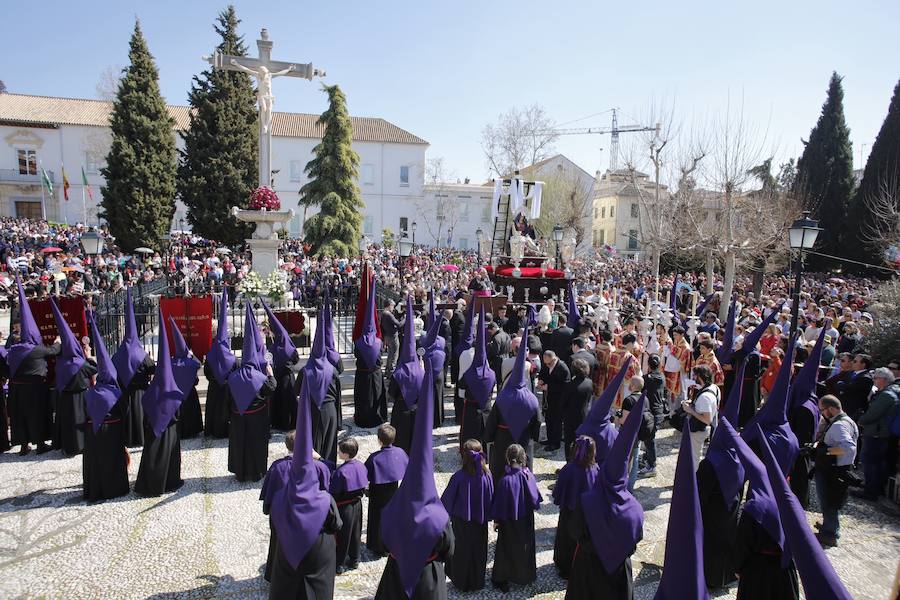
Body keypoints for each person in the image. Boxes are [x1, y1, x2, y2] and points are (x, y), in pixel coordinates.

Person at [376, 346, 454, 600]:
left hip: (396, 573)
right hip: (428, 577)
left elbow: (385, 535)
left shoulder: (394, 508)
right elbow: (447, 549)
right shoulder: (438, 516)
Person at [268, 378, 342, 600]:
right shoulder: (325, 499)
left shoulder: (282, 497)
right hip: (318, 549)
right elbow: (336, 524)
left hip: (289, 546)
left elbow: (273, 518)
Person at [566, 398, 644, 600]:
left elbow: (575, 531)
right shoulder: (635, 508)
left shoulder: (588, 499)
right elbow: (635, 542)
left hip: (588, 568)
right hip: (618, 572)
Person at [728, 420, 800, 599]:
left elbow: (743, 544)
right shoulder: (792, 500)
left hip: (758, 571)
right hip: (785, 571)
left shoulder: (754, 507)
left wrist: (737, 568)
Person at [484, 308, 541, 487]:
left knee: (501, 469)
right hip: (523, 438)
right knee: (522, 468)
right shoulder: (532, 399)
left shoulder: (502, 398)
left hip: (502, 438)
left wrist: (489, 437)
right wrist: (534, 437)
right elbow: (537, 422)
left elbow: (492, 420)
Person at [134, 311, 185, 497]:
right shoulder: (174, 391)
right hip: (169, 430)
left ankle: (150, 484)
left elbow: (145, 407)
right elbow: (178, 414)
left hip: (152, 430)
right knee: (169, 458)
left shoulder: (150, 390)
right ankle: (170, 482)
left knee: (151, 455)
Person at [8, 279, 60, 455]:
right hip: (34, 389)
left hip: (16, 389)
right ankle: (40, 445)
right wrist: (59, 340)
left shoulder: (14, 350)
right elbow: (53, 350)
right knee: (36, 415)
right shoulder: (36, 350)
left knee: (20, 416)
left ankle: (23, 446)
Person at [82, 309, 129, 502]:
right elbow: (124, 412)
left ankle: (95, 489)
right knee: (112, 461)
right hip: (113, 431)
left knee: (95, 461)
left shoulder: (90, 392)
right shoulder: (116, 392)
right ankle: (114, 489)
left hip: (93, 432)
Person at [227, 305, 277, 483]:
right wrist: (270, 374)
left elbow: (228, 397)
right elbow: (271, 388)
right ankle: (256, 472)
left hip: (239, 417)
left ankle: (240, 472)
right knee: (256, 445)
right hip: (257, 417)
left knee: (240, 444)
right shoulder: (260, 377)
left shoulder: (233, 377)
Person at [441, 439, 494, 592]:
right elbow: (491, 497)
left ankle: (461, 582)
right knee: (479, 551)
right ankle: (477, 581)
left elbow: (447, 501)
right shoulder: (487, 475)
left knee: (462, 551)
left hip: (462, 522)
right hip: (481, 521)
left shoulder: (458, 477)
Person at [489, 443, 542, 593]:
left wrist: (497, 521)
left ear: (507, 459)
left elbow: (499, 504)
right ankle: (526, 574)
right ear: (523, 458)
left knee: (506, 549)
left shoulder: (505, 480)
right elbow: (535, 498)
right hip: (525, 519)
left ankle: (502, 578)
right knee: (525, 547)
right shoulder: (528, 475)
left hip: (509, 521)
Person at [50, 297, 97, 457]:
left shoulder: (61, 363)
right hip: (81, 396)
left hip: (65, 399)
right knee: (80, 422)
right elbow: (94, 369)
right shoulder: (81, 363)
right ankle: (81, 446)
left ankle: (68, 446)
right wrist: (89, 355)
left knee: (69, 422)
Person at [112, 286, 154, 448]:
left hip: (124, 392)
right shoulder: (141, 354)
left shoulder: (117, 354)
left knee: (128, 415)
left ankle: (128, 439)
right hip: (141, 391)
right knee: (140, 415)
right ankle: (141, 438)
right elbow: (152, 369)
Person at [813, 395, 858, 547]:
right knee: (832, 500)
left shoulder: (840, 425)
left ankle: (830, 534)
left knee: (829, 501)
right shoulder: (848, 421)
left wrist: (826, 452)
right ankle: (829, 526)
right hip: (837, 468)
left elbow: (848, 448)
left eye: (823, 410)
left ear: (831, 409)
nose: (822, 414)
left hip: (833, 470)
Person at [552, 436, 599, 580]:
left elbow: (559, 490)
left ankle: (566, 568)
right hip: (587, 515)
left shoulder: (569, 469)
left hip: (570, 511)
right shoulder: (595, 469)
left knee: (567, 541)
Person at [300, 303, 340, 464]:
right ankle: (328, 469)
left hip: (313, 410)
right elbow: (337, 392)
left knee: (314, 441)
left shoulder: (305, 371)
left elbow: (298, 390)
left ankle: (314, 469)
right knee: (330, 442)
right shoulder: (333, 370)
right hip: (330, 409)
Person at [853, 367, 899, 501]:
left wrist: (861, 421)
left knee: (870, 461)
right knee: (877, 462)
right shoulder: (891, 392)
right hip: (881, 432)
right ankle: (874, 487)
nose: (874, 380)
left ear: (883, 380)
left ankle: (870, 491)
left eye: (876, 378)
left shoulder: (886, 395)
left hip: (876, 433)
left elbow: (873, 414)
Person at [364, 424, 408, 556]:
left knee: (377, 519)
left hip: (377, 494)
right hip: (393, 491)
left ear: (379, 440)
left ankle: (378, 546)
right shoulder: (400, 453)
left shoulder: (375, 458)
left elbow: (364, 476)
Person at [389, 295, 424, 453]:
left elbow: (392, 393)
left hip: (401, 409)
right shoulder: (421, 372)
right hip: (416, 409)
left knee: (400, 439)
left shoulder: (399, 372)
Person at [260, 431, 295, 582]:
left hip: (279, 514)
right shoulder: (313, 466)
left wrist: (267, 508)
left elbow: (270, 490)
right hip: (300, 514)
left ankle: (274, 574)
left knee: (276, 544)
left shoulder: (277, 467)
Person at [459, 307, 495, 446]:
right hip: (486, 407)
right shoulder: (491, 374)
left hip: (471, 408)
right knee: (484, 431)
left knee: (469, 432)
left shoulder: (469, 374)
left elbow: (461, 385)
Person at [263, 300, 301, 432]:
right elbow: (296, 360)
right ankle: (291, 422)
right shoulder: (290, 347)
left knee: (278, 399)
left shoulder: (272, 348)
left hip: (278, 377)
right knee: (289, 400)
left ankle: (278, 422)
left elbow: (270, 364)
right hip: (288, 377)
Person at [331, 437, 368, 574]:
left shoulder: (341, 472)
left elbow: (334, 493)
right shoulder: (361, 466)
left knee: (342, 535)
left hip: (344, 507)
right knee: (355, 532)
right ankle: (354, 559)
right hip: (357, 505)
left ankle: (339, 563)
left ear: (346, 454)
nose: (338, 453)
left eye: (339, 451)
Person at [353, 277, 387, 428]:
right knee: (376, 396)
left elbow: (356, 354)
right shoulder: (379, 342)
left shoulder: (359, 342)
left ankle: (362, 418)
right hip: (376, 375)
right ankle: (377, 416)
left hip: (362, 375)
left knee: (363, 398)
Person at [204, 291, 235, 439]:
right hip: (227, 388)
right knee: (224, 409)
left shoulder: (210, 355)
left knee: (213, 408)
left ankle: (211, 429)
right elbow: (235, 370)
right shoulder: (231, 358)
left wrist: (215, 380)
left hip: (214, 387)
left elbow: (207, 372)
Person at [168, 317, 203, 440]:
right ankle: (192, 431)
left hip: (176, 395)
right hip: (190, 394)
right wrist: (191, 356)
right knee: (191, 412)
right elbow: (197, 376)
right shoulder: (191, 363)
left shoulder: (171, 363)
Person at [681, 364, 719, 471]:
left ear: (700, 377)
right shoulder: (714, 388)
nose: (693, 378)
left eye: (695, 376)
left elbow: (707, 419)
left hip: (698, 430)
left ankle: (693, 482)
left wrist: (690, 410)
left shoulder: (705, 397)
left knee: (694, 458)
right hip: (704, 430)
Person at [639, 355, 666, 477]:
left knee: (649, 440)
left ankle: (652, 466)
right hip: (659, 411)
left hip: (651, 412)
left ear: (648, 365)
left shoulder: (646, 379)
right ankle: (646, 459)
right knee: (649, 437)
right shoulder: (661, 377)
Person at [538, 349, 570, 453]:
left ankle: (555, 443)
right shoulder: (546, 365)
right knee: (548, 419)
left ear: (553, 359)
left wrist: (549, 387)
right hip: (548, 399)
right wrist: (541, 380)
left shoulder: (562, 368)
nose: (547, 365)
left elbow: (565, 386)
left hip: (558, 400)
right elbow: (543, 374)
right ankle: (549, 439)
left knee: (556, 422)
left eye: (548, 362)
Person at [562, 358, 592, 459]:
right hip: (584, 416)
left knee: (569, 442)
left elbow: (563, 402)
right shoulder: (589, 383)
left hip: (570, 418)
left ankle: (569, 463)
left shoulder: (570, 385)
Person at [381, 299, 401, 373]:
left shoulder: (383, 313)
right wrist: (405, 319)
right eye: (393, 306)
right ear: (389, 305)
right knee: (394, 354)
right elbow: (398, 324)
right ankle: (392, 371)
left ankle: (387, 370)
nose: (393, 308)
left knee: (390, 354)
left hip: (387, 336)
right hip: (393, 336)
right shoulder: (388, 314)